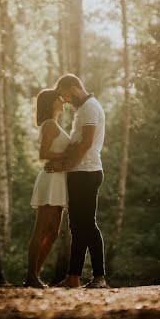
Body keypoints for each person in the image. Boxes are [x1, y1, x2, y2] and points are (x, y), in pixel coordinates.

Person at [46, 73, 108, 289]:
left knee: (87, 225)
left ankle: (99, 277)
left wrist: (64, 166)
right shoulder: (82, 109)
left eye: (65, 95)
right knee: (77, 226)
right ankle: (73, 277)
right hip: (78, 172)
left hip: (87, 173)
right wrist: (65, 162)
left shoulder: (90, 107)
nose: (65, 100)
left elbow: (87, 144)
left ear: (73, 88)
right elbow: (76, 143)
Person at [24, 88, 70, 288]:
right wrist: (70, 154)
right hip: (50, 180)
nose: (63, 101)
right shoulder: (50, 124)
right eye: (59, 99)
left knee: (52, 233)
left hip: (59, 181)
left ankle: (34, 274)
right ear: (52, 103)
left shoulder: (54, 124)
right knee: (41, 230)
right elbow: (43, 153)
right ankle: (31, 276)